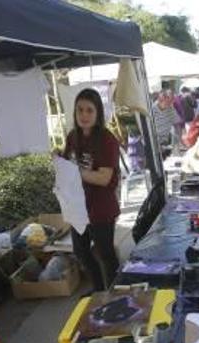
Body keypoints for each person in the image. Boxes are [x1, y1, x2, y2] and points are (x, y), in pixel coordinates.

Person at [64, 88, 121, 291]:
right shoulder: (72, 137)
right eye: (80, 110)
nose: (84, 115)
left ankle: (115, 292)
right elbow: (67, 165)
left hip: (101, 209)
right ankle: (98, 291)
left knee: (105, 253)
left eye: (89, 110)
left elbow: (104, 178)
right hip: (78, 208)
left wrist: (74, 172)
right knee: (81, 252)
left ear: (98, 113)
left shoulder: (107, 140)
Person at [152, 91, 179, 156]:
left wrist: (176, 140)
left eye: (170, 102)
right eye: (167, 102)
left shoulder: (171, 109)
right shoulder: (151, 109)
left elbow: (176, 124)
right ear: (160, 100)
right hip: (153, 141)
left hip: (165, 142)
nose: (169, 104)